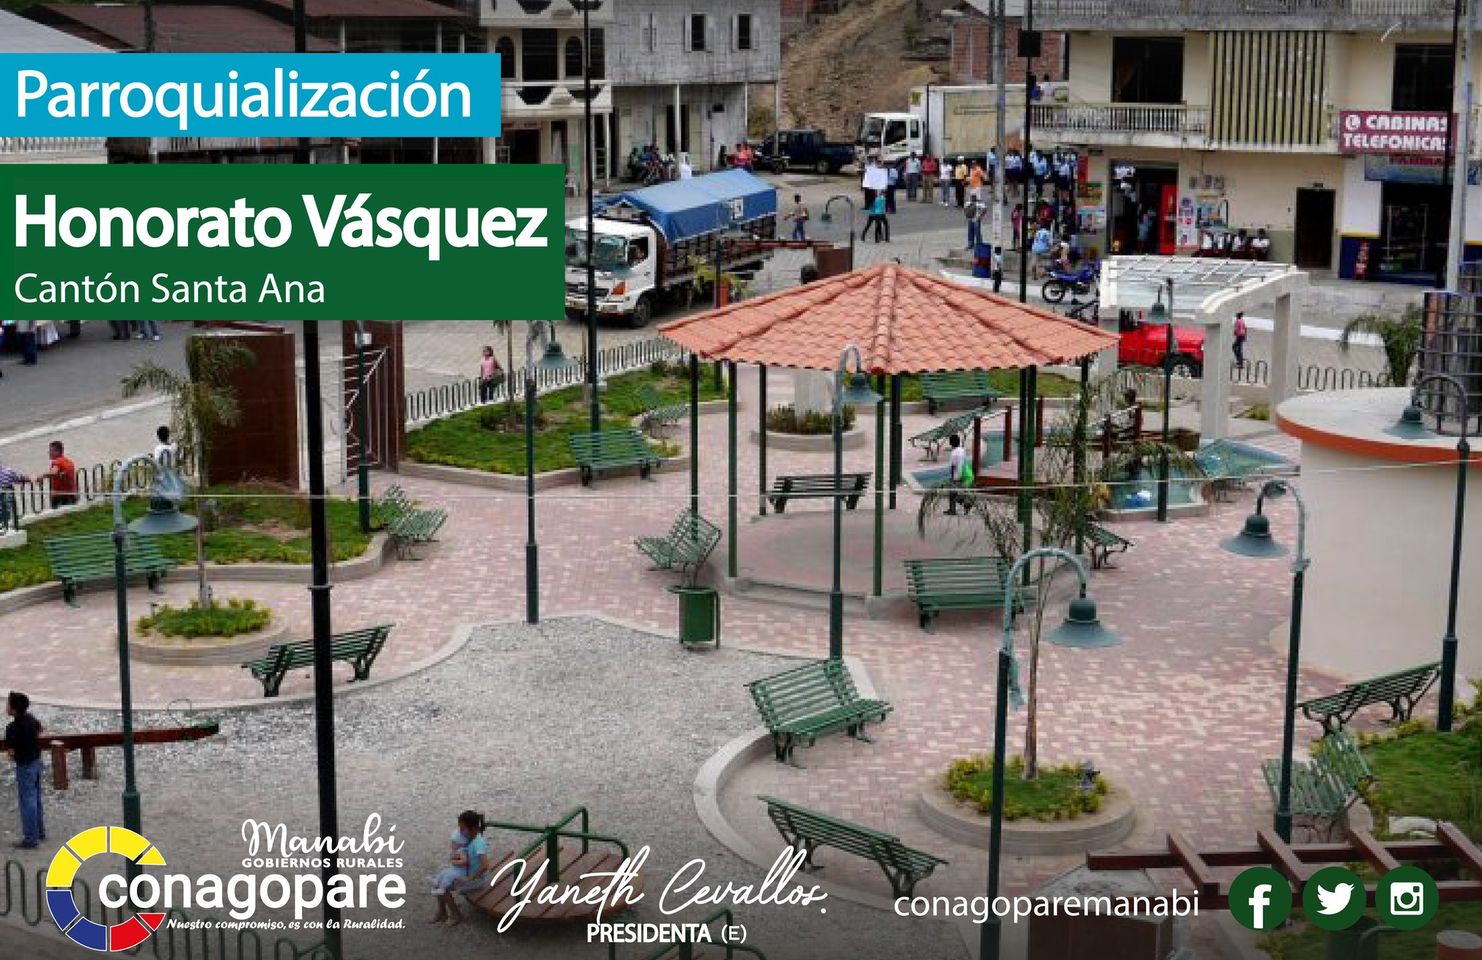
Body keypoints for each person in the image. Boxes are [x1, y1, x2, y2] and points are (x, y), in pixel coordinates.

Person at [430, 810, 489, 924]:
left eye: (462, 829)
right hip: (467, 873)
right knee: (439, 880)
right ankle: (442, 912)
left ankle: (456, 915)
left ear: (472, 828)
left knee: (443, 887)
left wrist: (470, 878)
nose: (460, 832)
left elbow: (485, 865)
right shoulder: (471, 839)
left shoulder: (478, 843)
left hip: (476, 880)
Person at [4, 691, 44, 850]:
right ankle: (40, 831)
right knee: (36, 798)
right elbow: (40, 730)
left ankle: (30, 838)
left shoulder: (12, 728)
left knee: (27, 800)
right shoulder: (31, 719)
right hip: (36, 762)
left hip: (24, 765)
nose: (6, 707)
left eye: (8, 705)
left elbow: (11, 751)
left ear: (13, 709)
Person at [42, 441, 77, 509]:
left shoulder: (57, 461)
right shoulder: (69, 462)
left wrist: (42, 476)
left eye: (51, 450)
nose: (49, 452)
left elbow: (53, 472)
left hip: (60, 497)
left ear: (57, 451)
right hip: (71, 495)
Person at [946, 434, 972, 515]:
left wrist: (954, 478)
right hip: (967, 474)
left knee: (952, 493)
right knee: (955, 493)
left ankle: (963, 506)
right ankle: (961, 506)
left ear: (950, 443)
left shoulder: (954, 453)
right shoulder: (961, 450)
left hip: (961, 475)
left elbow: (955, 466)